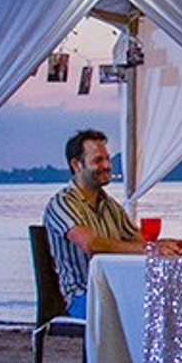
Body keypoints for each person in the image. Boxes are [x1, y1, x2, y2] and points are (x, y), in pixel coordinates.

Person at [42, 128, 143, 317]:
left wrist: (181, 247)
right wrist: (147, 249)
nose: (106, 165)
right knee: (139, 312)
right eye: (98, 160)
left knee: (165, 304)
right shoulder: (62, 203)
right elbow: (91, 244)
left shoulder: (111, 206)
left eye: (107, 159)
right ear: (76, 165)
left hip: (116, 290)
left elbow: (139, 243)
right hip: (82, 297)